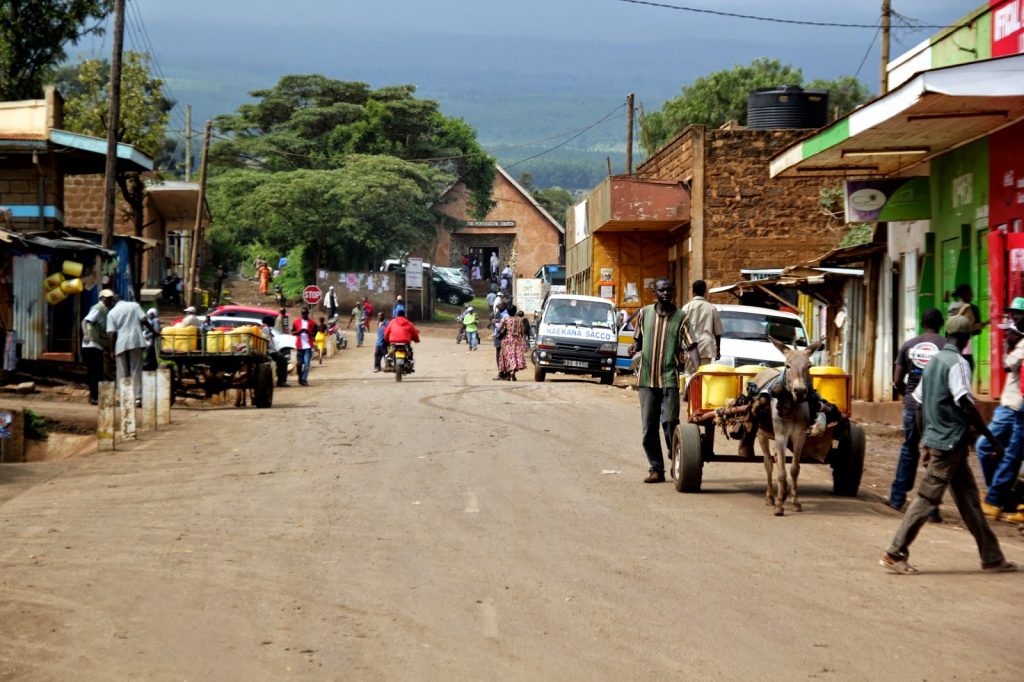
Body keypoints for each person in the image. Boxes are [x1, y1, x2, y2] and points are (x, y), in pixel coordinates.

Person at [880, 315, 1016, 575]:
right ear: (967, 339)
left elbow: (917, 404)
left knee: (969, 501)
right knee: (926, 499)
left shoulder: (933, 363)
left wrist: (925, 441)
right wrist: (990, 436)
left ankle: (992, 557)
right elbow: (966, 403)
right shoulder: (958, 363)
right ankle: (894, 552)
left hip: (945, 443)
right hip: (949, 443)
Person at [629, 278, 695, 484]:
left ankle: (674, 451)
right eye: (662, 290)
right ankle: (656, 468)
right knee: (649, 426)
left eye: (669, 289)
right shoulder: (644, 313)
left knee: (669, 422)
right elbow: (637, 340)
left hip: (670, 379)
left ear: (673, 292)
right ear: (654, 293)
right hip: (647, 379)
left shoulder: (681, 317)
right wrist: (634, 348)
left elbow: (691, 346)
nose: (666, 293)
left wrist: (699, 369)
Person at [887, 308, 946, 517]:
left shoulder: (908, 345)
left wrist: (908, 396)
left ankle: (897, 498)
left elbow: (896, 381)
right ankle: (932, 508)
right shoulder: (947, 347)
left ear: (922, 323)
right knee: (936, 455)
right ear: (942, 324)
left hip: (912, 406)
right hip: (937, 408)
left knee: (909, 450)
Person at [976, 296, 1024, 524]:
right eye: (1012, 313)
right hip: (1011, 406)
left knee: (993, 448)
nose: (1013, 317)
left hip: (1014, 407)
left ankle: (997, 498)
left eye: (1017, 313)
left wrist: (1007, 345)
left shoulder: (1021, 343)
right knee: (1010, 455)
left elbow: (1007, 365)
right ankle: (1001, 496)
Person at [106, 296, 158, 408]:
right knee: (136, 370)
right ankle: (137, 398)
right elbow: (144, 320)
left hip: (120, 343)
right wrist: (154, 331)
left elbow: (112, 333)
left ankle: (122, 398)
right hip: (135, 341)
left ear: (114, 302)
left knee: (121, 371)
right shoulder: (134, 306)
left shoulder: (112, 312)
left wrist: (111, 351)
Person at [679, 280, 722, 373]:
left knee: (690, 375)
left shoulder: (686, 308)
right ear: (705, 291)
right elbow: (718, 332)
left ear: (692, 291)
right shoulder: (712, 308)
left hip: (690, 346)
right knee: (703, 376)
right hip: (706, 347)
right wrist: (718, 350)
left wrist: (679, 349)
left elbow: (680, 330)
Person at [81, 289, 115, 405]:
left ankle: (94, 396)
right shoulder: (98, 308)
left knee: (95, 372)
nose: (109, 300)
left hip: (97, 344)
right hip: (92, 343)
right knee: (96, 372)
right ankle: (94, 396)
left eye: (110, 298)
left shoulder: (105, 311)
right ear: (101, 298)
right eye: (107, 298)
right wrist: (85, 334)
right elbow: (85, 321)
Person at [947, 283, 983, 371]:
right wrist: (984, 324)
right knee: (967, 367)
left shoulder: (951, 306)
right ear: (964, 294)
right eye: (970, 293)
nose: (972, 295)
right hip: (964, 346)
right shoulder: (967, 307)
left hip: (951, 343)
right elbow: (969, 326)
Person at [496, 304, 528, 381]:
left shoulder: (505, 319)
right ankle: (513, 371)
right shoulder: (520, 320)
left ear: (508, 311)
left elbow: (499, 329)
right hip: (516, 340)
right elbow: (522, 332)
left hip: (506, 340)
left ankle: (508, 373)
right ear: (515, 311)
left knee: (507, 357)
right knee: (515, 356)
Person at [291, 307, 317, 386]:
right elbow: (293, 332)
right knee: (299, 364)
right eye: (303, 313)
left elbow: (315, 334)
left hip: (308, 346)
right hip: (299, 345)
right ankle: (300, 377)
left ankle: (304, 380)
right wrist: (299, 332)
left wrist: (308, 332)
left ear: (308, 314)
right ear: (301, 314)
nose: (304, 315)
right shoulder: (296, 322)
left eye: (305, 313)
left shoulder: (312, 323)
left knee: (306, 364)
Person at [261, 315, 288, 387]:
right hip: (269, 351)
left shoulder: (265, 328)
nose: (273, 322)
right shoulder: (265, 328)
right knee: (283, 361)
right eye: (272, 321)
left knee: (281, 361)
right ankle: (281, 381)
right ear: (269, 322)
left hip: (269, 350)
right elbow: (269, 342)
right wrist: (276, 352)